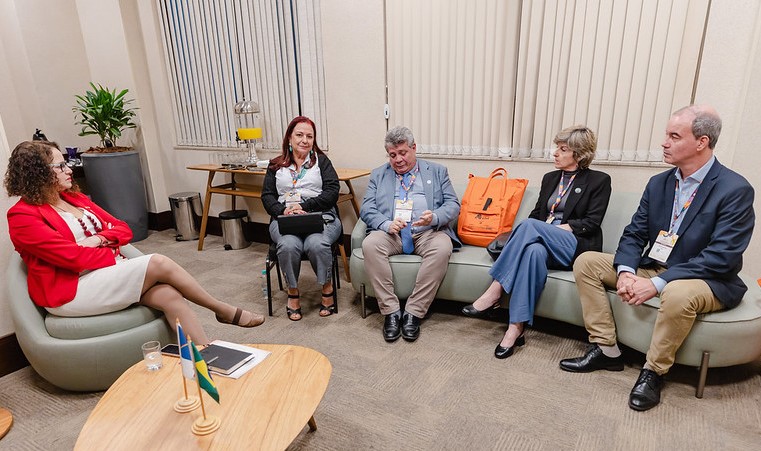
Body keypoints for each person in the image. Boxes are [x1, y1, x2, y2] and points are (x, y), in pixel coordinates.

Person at [559, 105, 755, 411]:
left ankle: (653, 372)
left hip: (705, 278)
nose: (664, 142)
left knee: (676, 292)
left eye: (674, 136)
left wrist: (659, 283)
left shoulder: (735, 189)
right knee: (587, 262)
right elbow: (635, 233)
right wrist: (626, 271)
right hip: (657, 266)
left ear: (701, 142)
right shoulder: (660, 183)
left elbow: (722, 256)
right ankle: (607, 349)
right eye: (666, 135)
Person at [5, 141, 264, 346]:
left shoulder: (75, 199)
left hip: (105, 272)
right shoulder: (22, 216)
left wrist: (100, 239)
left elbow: (122, 228)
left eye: (66, 163)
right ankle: (222, 309)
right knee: (158, 261)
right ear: (38, 174)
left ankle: (203, 354)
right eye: (60, 166)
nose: (69, 169)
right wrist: (108, 252)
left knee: (170, 295)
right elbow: (72, 258)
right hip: (72, 290)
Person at [462, 126, 611, 359]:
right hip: (545, 244)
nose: (555, 153)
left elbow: (591, 223)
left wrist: (549, 229)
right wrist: (542, 229)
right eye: (557, 148)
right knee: (533, 251)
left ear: (579, 155)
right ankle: (515, 329)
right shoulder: (551, 178)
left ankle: (494, 290)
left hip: (574, 245)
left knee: (531, 228)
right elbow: (537, 214)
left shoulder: (599, 180)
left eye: (563, 149)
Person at [360, 126, 461, 342]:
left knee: (443, 247)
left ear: (414, 148)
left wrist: (433, 217)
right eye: (392, 155)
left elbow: (453, 204)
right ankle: (391, 312)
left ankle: (413, 312)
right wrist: (386, 224)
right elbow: (367, 208)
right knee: (370, 244)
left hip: (426, 232)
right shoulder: (379, 174)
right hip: (392, 234)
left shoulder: (436, 171)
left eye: (403, 152)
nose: (398, 159)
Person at [261, 116, 341, 321]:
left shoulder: (321, 162)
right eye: (299, 135)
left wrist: (304, 206)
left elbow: (332, 192)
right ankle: (293, 291)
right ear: (289, 138)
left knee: (317, 243)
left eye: (309, 136)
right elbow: (267, 196)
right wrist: (283, 210)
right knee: (288, 245)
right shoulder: (275, 165)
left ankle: (327, 286)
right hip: (285, 218)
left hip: (320, 215)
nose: (304, 140)